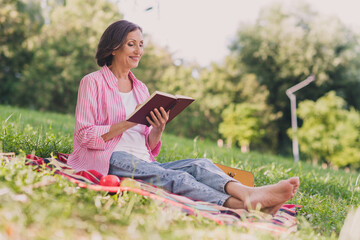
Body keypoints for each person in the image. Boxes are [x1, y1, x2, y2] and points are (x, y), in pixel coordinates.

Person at [68, 20, 299, 215]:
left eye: (141, 44)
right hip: (111, 160)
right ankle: (248, 201)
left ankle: (248, 201)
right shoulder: (92, 82)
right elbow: (84, 135)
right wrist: (131, 120)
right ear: (113, 48)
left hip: (143, 160)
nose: (138, 51)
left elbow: (147, 143)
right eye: (131, 44)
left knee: (201, 165)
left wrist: (159, 127)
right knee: (176, 177)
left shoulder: (141, 88)